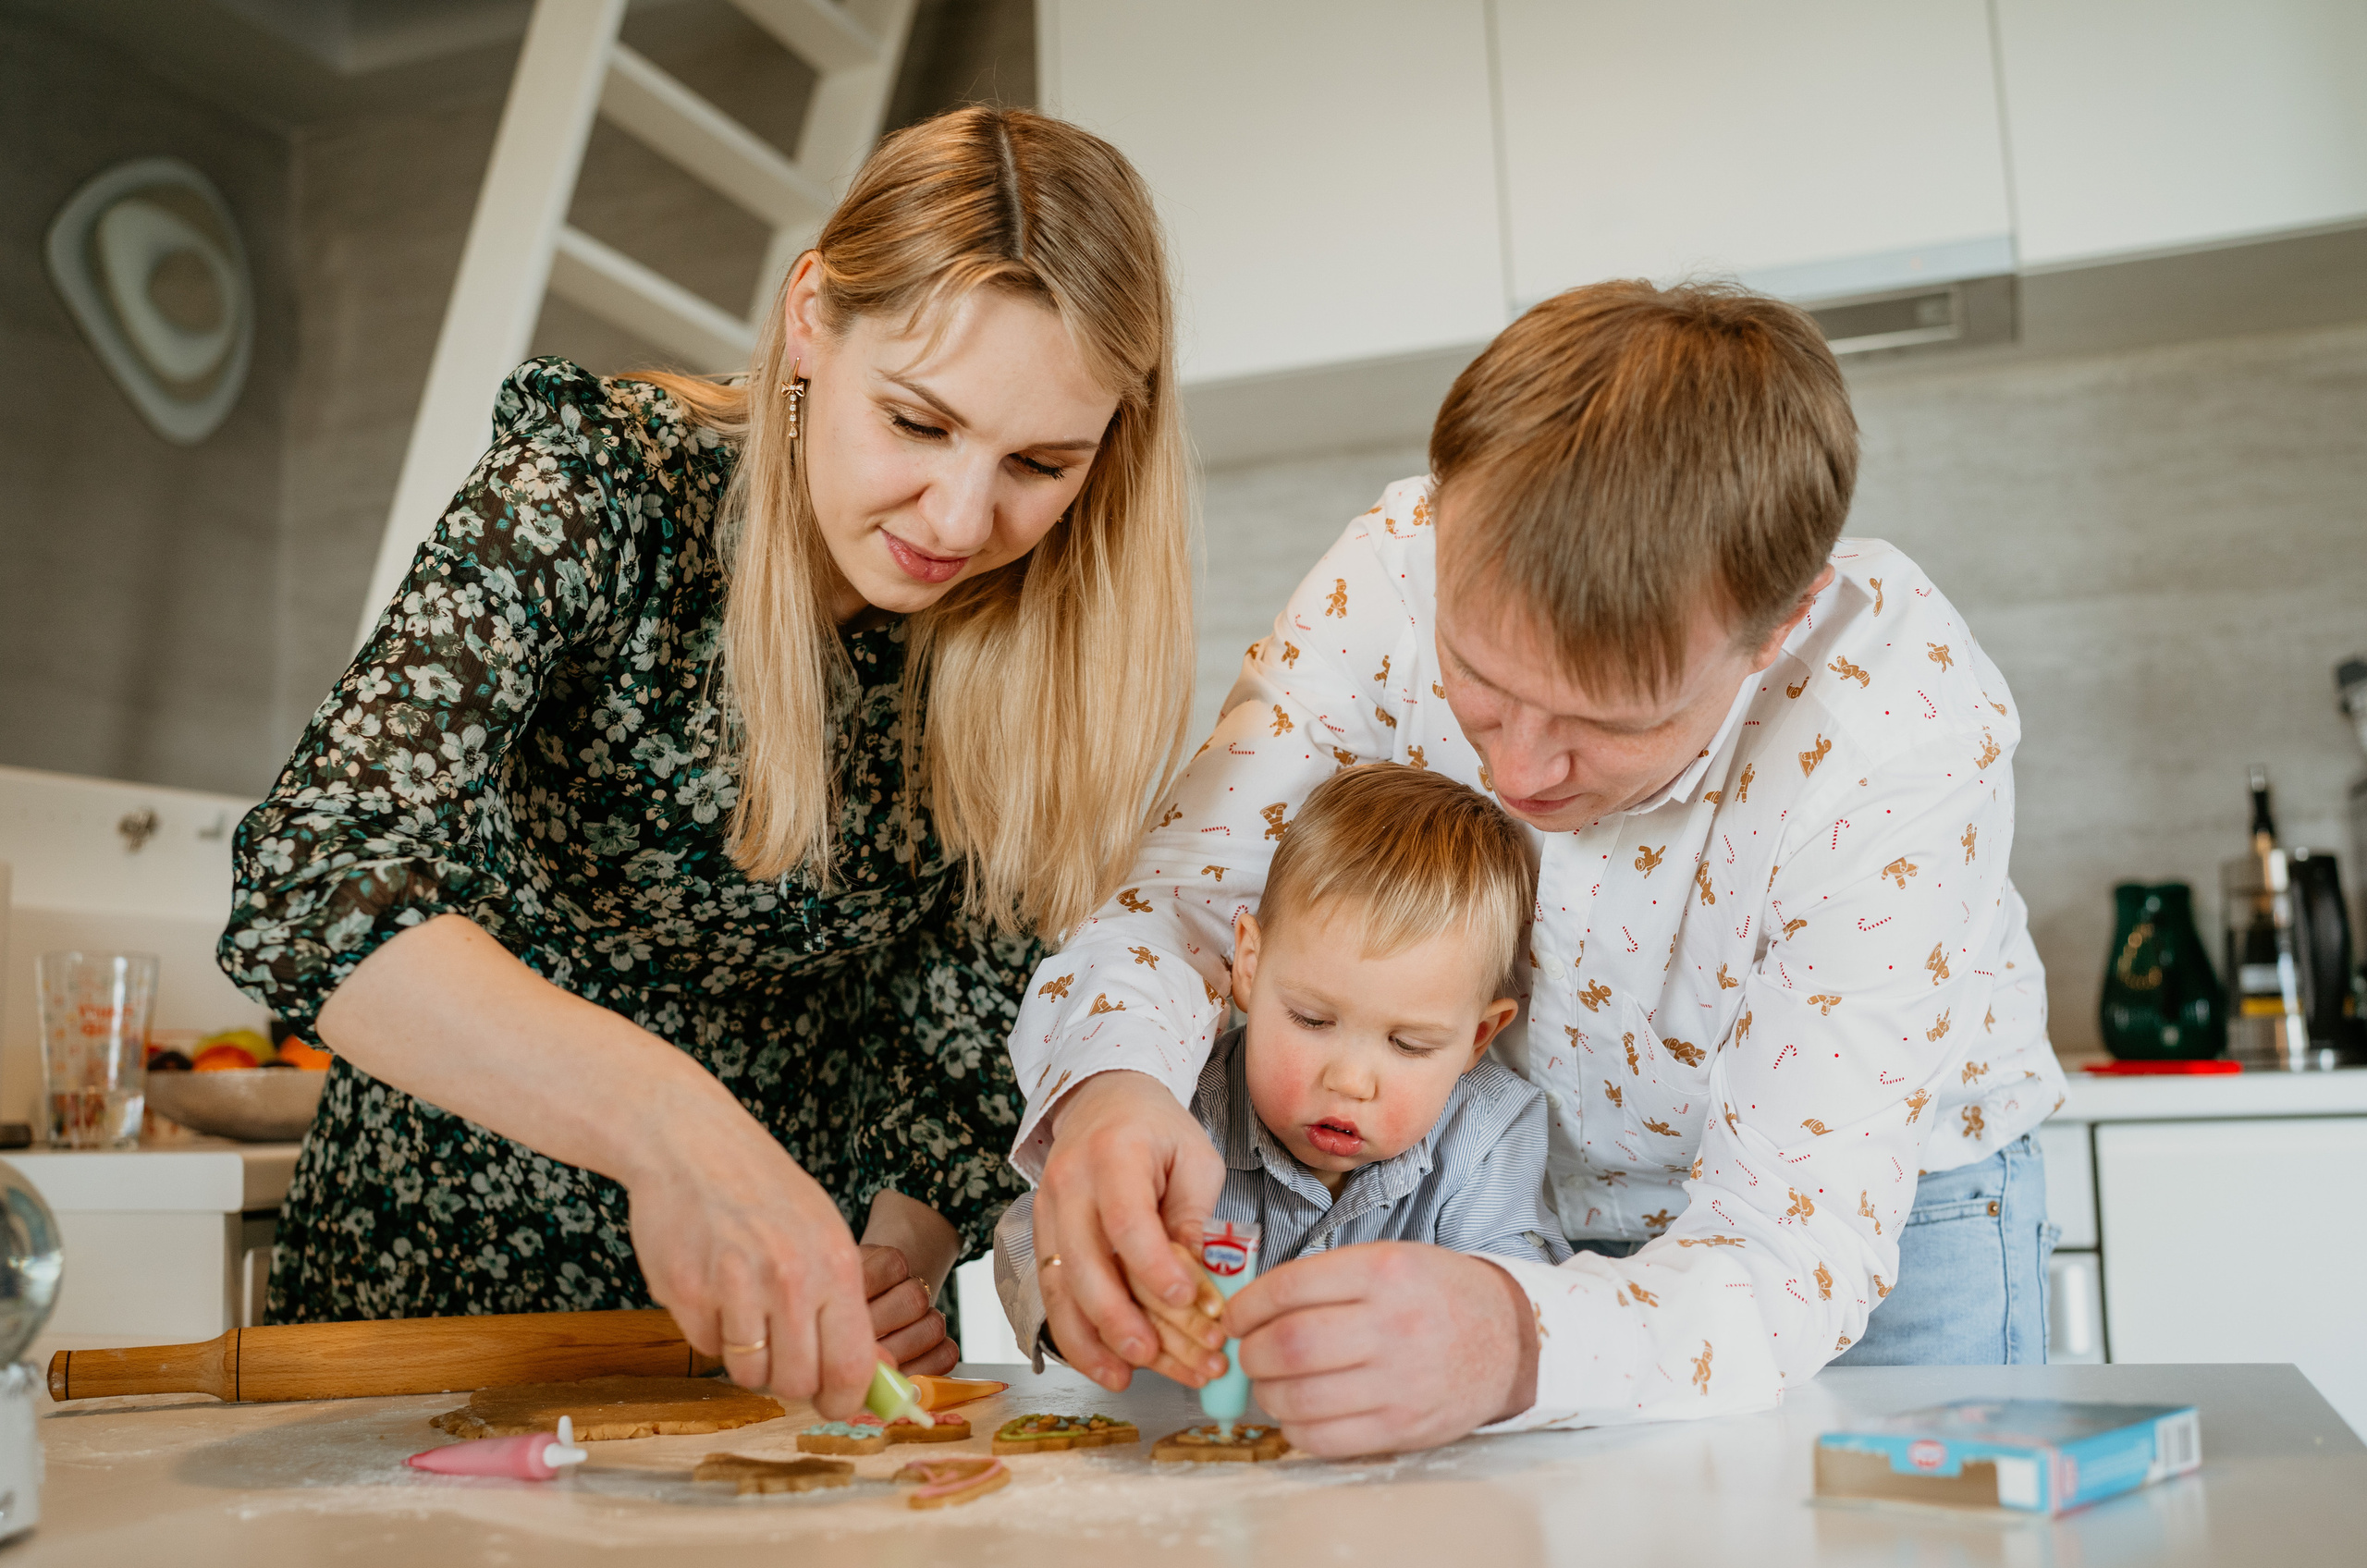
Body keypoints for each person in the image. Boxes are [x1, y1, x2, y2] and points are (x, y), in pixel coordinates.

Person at [215, 107, 1195, 1421]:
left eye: (1038, 462)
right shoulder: (597, 487)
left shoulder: (1044, 635)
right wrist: (675, 1127)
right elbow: (312, 873)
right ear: (810, 320)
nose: (963, 519)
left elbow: (959, 1038)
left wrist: (901, 1250)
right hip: (425, 1307)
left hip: (771, 1350)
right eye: (915, 422)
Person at [1008, 281, 2067, 1455]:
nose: (1514, 772)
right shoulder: (1387, 575)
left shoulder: (1896, 727)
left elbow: (1787, 1243)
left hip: (1874, 1242)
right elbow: (1183, 913)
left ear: (1776, 629)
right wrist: (1110, 1086)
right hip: (1521, 1212)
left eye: (1609, 722)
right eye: (1480, 680)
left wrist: (1518, 1340)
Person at [990, 764, 1569, 1366]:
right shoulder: (1176, 1107)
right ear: (1248, 964)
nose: (1349, 1080)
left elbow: (1520, 1298)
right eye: (1313, 1020)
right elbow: (1031, 1234)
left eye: (1409, 1045)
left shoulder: (1489, 1131)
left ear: (1477, 1037)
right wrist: (1101, 1297)